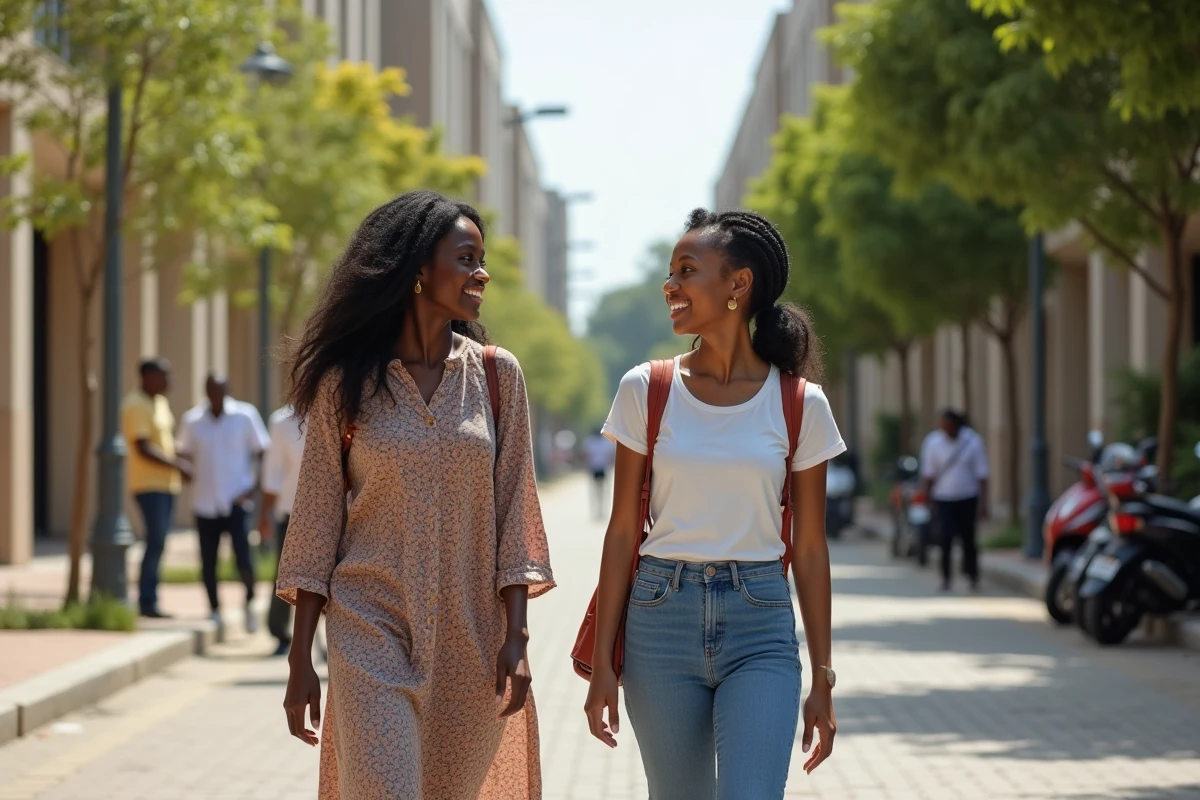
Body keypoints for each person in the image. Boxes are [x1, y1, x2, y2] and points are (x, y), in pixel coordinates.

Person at [277, 190, 555, 799]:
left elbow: (515, 511)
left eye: (482, 259)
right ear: (418, 271)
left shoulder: (496, 376)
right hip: (367, 626)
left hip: (472, 641)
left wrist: (518, 638)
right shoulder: (344, 384)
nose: (481, 273)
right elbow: (317, 521)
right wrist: (301, 660)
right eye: (466, 257)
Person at [584, 208, 842, 799]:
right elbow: (623, 531)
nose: (669, 286)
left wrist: (823, 678)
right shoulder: (644, 389)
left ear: (738, 284)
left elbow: (809, 546)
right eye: (670, 272)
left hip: (761, 623)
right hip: (659, 619)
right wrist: (603, 664)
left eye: (686, 270)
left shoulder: (801, 403)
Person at [177, 374, 270, 629]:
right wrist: (183, 469)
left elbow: (263, 452)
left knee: (244, 558)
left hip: (236, 500)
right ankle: (214, 609)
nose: (216, 395)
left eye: (220, 390)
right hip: (205, 502)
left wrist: (252, 490)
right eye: (211, 390)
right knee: (208, 560)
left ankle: (249, 601)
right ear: (205, 391)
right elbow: (182, 452)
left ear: (227, 389)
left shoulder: (245, 415)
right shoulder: (192, 420)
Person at [121, 358, 191, 618]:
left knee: (159, 543)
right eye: (165, 375)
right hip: (148, 486)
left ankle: (149, 598)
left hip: (166, 486)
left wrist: (181, 459)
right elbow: (143, 447)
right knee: (155, 542)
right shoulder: (134, 404)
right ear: (147, 377)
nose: (170, 381)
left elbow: (164, 442)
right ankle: (147, 601)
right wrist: (177, 465)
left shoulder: (160, 403)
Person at [920, 408, 990, 592]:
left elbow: (982, 475)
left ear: (957, 425)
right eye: (942, 426)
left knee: (969, 539)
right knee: (945, 539)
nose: (944, 429)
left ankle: (973, 576)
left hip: (968, 497)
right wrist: (926, 497)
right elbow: (929, 474)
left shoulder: (973, 441)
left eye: (948, 426)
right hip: (943, 499)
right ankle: (945, 578)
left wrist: (983, 504)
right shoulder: (933, 442)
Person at [261, 403, 305, 657]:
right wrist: (264, 516)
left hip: (333, 512)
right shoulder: (281, 421)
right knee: (285, 577)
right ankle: (280, 633)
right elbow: (272, 472)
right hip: (290, 512)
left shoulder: (339, 411)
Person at [582, 427, 616, 519]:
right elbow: (587, 456)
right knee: (596, 490)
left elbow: (611, 455)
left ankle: (601, 510)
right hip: (595, 468)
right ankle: (597, 510)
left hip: (602, 468)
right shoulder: (591, 441)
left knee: (602, 490)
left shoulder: (604, 441)